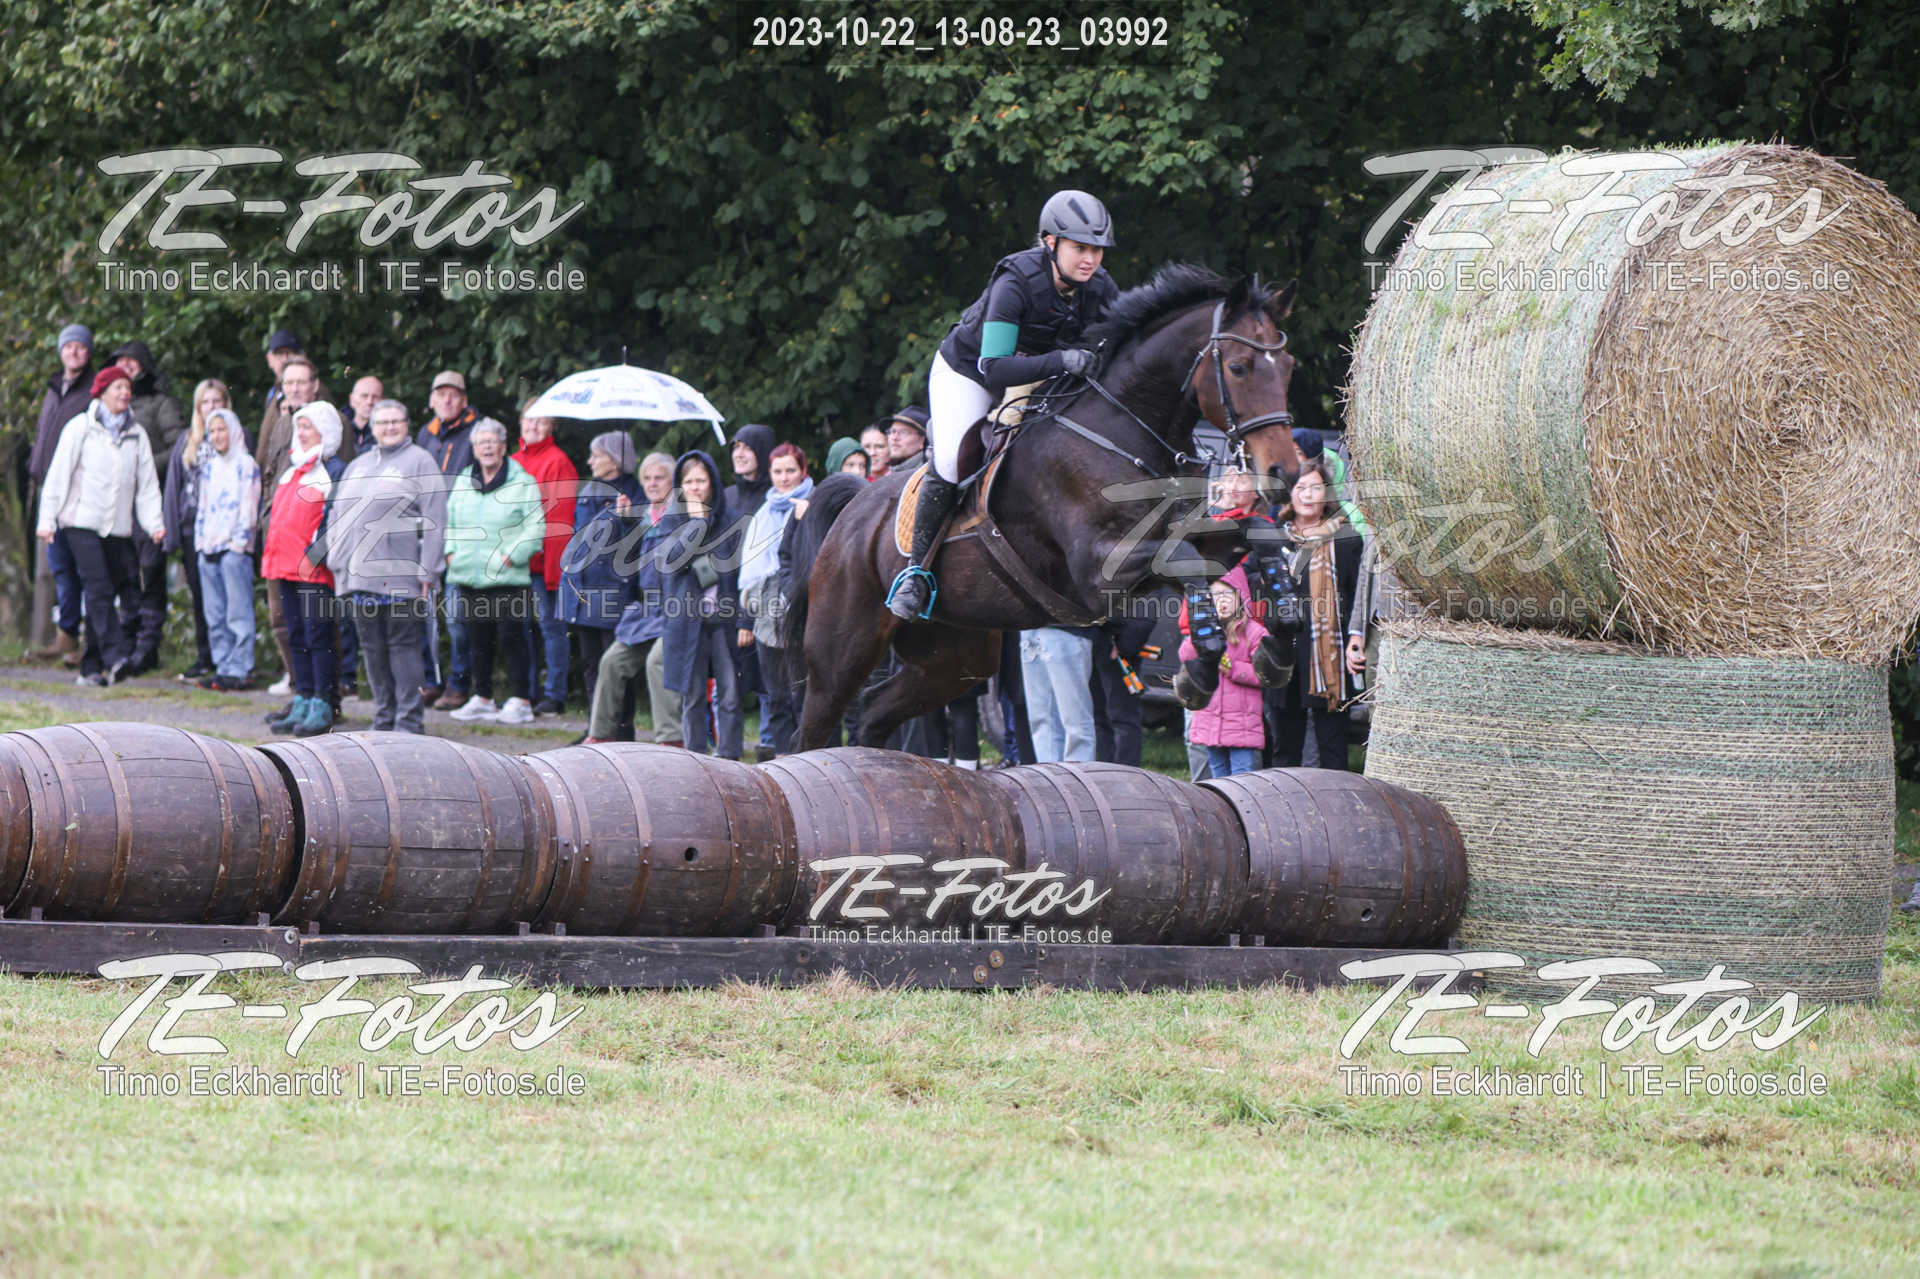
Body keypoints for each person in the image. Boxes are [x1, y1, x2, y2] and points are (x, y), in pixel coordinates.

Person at [890, 189, 1119, 620]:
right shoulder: (1016, 282)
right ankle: (915, 573)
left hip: (1041, 375)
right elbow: (994, 367)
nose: (1090, 259)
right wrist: (1062, 360)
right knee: (954, 462)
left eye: (1097, 250)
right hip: (971, 374)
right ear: (1050, 242)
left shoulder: (1100, 288)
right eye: (1080, 248)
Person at [323, 399, 448, 735]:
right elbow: (337, 516)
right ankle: (383, 719)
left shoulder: (420, 461)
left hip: (401, 576)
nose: (389, 427)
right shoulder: (358, 465)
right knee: (372, 649)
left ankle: (408, 723)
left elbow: (436, 518)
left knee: (403, 646)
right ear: (373, 427)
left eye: (396, 421)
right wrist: (336, 561)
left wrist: (429, 569)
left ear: (407, 425)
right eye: (382, 422)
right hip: (358, 577)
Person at [35, 366, 164, 686]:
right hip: (80, 521)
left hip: (116, 526)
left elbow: (147, 485)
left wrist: (154, 523)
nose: (125, 393)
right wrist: (47, 519)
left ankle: (90, 668)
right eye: (117, 387)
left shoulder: (137, 434)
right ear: (102, 392)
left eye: (127, 388)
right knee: (98, 587)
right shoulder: (80, 427)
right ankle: (117, 654)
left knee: (105, 591)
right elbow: (58, 474)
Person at [1267, 459, 1367, 770]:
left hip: (1328, 656)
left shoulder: (1347, 539)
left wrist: (1356, 639)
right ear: (1289, 494)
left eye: (1316, 488)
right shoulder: (1275, 541)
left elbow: (1356, 596)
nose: (1308, 495)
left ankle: (1334, 798)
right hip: (1287, 652)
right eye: (1301, 487)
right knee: (1284, 747)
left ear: (1327, 494)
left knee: (1332, 747)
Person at [443, 418, 545, 724]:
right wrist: (450, 552)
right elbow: (451, 521)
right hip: (468, 573)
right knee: (477, 640)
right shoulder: (464, 479)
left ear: (503, 446)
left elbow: (536, 526)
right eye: (481, 442)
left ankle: (521, 700)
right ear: (474, 448)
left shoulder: (523, 481)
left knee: (513, 638)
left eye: (492, 442)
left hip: (507, 575)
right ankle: (483, 698)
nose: (487, 447)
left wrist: (511, 556)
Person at [582, 451, 680, 745]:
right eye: (647, 478)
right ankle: (601, 735)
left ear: (673, 482)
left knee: (656, 662)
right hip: (648, 611)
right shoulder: (642, 517)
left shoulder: (684, 515)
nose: (652, 484)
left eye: (659, 478)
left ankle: (671, 739)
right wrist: (625, 523)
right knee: (611, 661)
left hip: (678, 609)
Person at [262, 402, 347, 737]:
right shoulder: (292, 467)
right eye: (300, 427)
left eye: (308, 427)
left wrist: (317, 554)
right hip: (284, 566)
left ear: (325, 431)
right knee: (296, 634)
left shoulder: (334, 469)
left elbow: (337, 518)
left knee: (318, 635)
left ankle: (324, 702)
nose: (302, 433)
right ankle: (304, 696)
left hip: (313, 569)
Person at [658, 451, 743, 758]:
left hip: (724, 620)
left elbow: (738, 570)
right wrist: (697, 524)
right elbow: (671, 562)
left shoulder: (730, 520)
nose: (695, 487)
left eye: (701, 481)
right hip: (687, 621)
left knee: (730, 693)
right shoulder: (672, 520)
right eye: (689, 481)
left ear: (713, 483)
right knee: (692, 695)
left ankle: (730, 756)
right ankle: (694, 757)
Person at [109, 341, 186, 673]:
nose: (126, 366)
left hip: (149, 502)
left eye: (132, 361)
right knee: (123, 574)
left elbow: (180, 445)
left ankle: (148, 645)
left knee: (151, 572)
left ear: (144, 367)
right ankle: (125, 642)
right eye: (120, 361)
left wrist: (142, 466)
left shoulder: (160, 403)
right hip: (116, 506)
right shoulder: (108, 408)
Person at [559, 433, 644, 723]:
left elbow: (637, 549)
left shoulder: (635, 494)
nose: (590, 461)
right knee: (590, 663)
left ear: (615, 459)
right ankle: (596, 727)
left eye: (597, 455)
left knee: (616, 665)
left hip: (614, 592)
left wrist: (628, 520)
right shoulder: (588, 491)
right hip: (583, 589)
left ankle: (621, 729)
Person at [25, 323, 95, 665]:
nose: (74, 351)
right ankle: (65, 636)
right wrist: (34, 465)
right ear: (61, 351)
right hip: (48, 489)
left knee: (86, 568)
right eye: (68, 346)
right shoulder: (54, 389)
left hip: (78, 492)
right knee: (60, 566)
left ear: (88, 351)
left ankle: (91, 639)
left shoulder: (93, 391)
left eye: (80, 346)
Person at [255, 354, 325, 695]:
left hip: (312, 538)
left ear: (314, 386)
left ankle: (324, 694)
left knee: (316, 622)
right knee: (281, 617)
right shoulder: (282, 422)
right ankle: (299, 689)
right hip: (278, 532)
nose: (295, 389)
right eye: (289, 383)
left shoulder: (329, 421)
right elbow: (264, 467)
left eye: (301, 382)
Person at [739, 443, 812, 759]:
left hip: (803, 607)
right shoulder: (764, 512)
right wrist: (747, 617)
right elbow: (751, 571)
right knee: (777, 693)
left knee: (804, 692)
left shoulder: (813, 505)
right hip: (767, 612)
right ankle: (783, 759)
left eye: (790, 471)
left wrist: (804, 521)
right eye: (778, 471)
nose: (784, 478)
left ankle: (808, 757)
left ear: (803, 471)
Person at [416, 369, 482, 708]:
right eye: (441, 394)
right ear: (431, 400)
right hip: (425, 532)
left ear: (464, 400)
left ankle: (459, 684)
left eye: (454, 394)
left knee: (456, 616)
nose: (447, 400)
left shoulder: (476, 432)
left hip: (460, 533)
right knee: (423, 612)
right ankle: (429, 681)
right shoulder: (424, 435)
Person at [161, 378, 232, 681]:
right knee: (201, 596)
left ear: (226, 404)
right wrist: (172, 532)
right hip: (194, 529)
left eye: (217, 401)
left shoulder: (237, 437)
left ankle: (232, 659)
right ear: (198, 407)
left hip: (228, 529)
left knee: (229, 596)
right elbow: (173, 487)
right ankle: (206, 656)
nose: (211, 407)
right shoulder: (187, 441)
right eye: (206, 402)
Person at [511, 401, 578, 715]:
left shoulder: (558, 462)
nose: (533, 425)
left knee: (551, 628)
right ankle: (525, 693)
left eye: (541, 420)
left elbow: (560, 518)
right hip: (514, 564)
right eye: (529, 419)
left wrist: (554, 569)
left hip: (542, 564)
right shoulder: (512, 462)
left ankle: (554, 694)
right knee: (520, 630)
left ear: (552, 426)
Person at [191, 408, 261, 691]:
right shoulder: (209, 468)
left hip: (234, 549)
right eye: (213, 431)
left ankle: (241, 668)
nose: (218, 436)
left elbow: (249, 508)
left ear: (233, 431)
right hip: (208, 548)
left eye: (222, 429)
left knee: (238, 612)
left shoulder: (246, 464)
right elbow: (202, 507)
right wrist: (200, 543)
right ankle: (223, 666)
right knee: (215, 613)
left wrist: (239, 544)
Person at [1180, 577, 1268, 778]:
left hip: (1241, 725)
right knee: (1217, 777)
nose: (1222, 600)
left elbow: (1263, 675)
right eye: (1215, 595)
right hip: (1211, 720)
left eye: (1227, 594)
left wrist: (1232, 668)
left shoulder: (1255, 633)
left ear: (1240, 597)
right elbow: (1185, 656)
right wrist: (1201, 629)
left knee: (1241, 777)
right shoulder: (1205, 630)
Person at [1020, 625, 1099, 762]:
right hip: (1030, 626)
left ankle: (1077, 774)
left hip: (1068, 627)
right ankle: (1048, 773)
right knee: (1042, 722)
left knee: (1076, 724)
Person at [346, 375, 384, 455]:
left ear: (382, 401)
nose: (369, 402)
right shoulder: (339, 429)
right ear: (352, 399)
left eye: (375, 397)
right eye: (364, 396)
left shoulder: (388, 432)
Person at [884, 407, 930, 473]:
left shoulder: (927, 474)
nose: (894, 438)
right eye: (892, 431)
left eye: (903, 432)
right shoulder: (889, 472)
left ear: (923, 440)